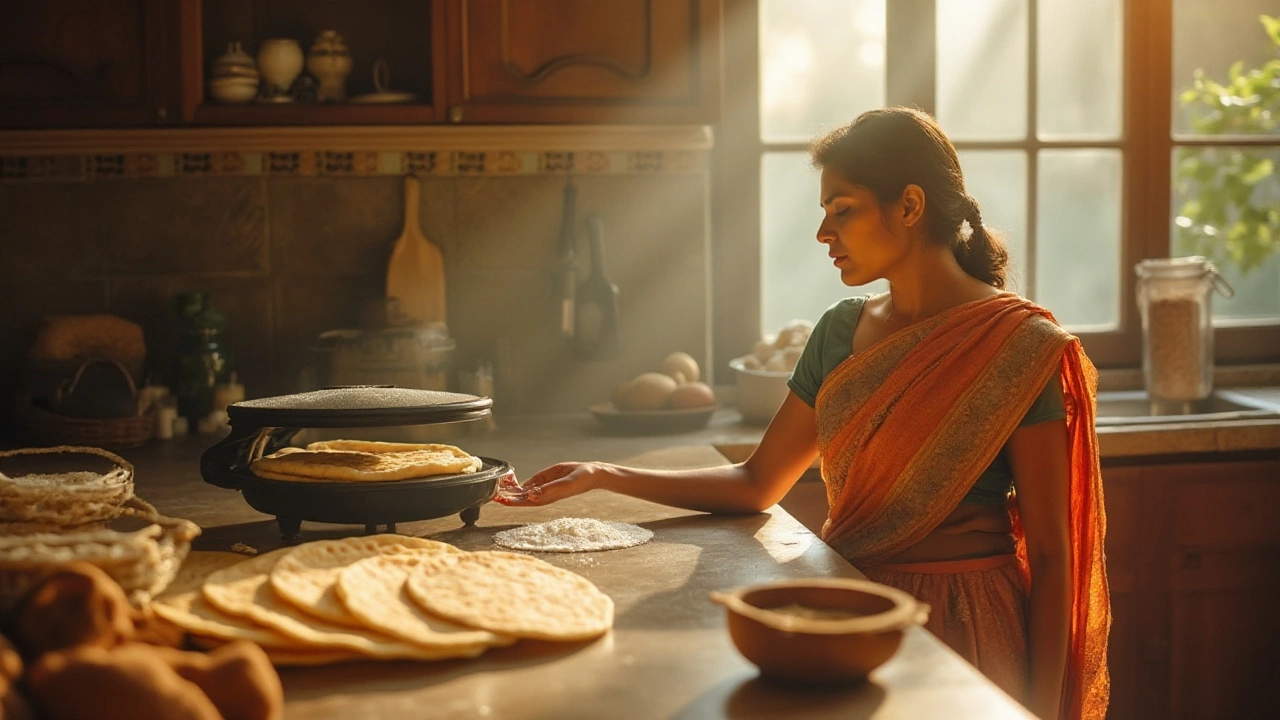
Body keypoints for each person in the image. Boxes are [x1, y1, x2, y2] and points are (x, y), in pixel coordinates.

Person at [497, 107, 1109, 720]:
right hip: (847, 611)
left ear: (911, 206)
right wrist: (605, 475)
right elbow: (758, 481)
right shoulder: (839, 333)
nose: (823, 233)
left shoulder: (1017, 345)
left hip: (970, 621)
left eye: (841, 210)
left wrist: (1042, 710)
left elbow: (1054, 556)